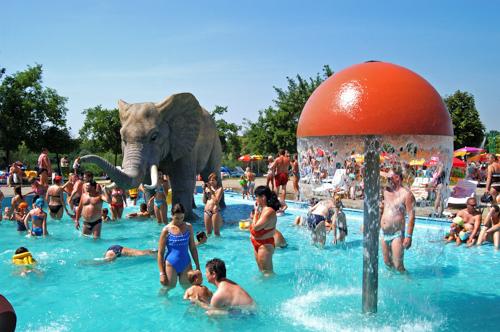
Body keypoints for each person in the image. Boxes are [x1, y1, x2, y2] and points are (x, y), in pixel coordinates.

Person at [380, 168, 415, 272]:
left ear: (397, 178)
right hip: (383, 233)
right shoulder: (386, 191)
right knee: (387, 264)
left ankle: (407, 283)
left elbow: (411, 216)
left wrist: (409, 237)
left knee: (398, 266)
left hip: (397, 234)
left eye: (390, 178)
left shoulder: (407, 194)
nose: (387, 180)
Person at [157, 203, 200, 289]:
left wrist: (197, 266)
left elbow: (192, 248)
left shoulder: (189, 227)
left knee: (189, 289)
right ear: (172, 215)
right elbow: (160, 253)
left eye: (182, 218)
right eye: (177, 218)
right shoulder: (166, 230)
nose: (179, 221)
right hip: (171, 264)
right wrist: (162, 273)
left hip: (186, 264)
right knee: (167, 289)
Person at [251, 186, 280, 274]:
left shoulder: (269, 211)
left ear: (263, 197)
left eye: (257, 196)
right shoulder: (263, 209)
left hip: (265, 245)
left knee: (267, 273)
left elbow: (256, 227)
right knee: (261, 271)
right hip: (257, 243)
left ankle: (272, 286)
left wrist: (256, 212)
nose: (256, 199)